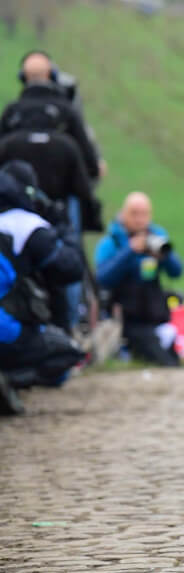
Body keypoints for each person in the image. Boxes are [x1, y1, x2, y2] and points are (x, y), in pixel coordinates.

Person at [0, 161, 86, 402]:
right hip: (6, 331)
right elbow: (70, 268)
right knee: (68, 354)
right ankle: (9, 378)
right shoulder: (25, 225)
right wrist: (63, 226)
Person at [95, 192, 184, 367]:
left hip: (156, 317)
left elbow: (177, 271)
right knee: (165, 364)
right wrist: (130, 251)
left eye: (144, 214)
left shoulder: (157, 236)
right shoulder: (110, 243)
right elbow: (102, 278)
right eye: (134, 213)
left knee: (174, 363)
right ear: (123, 213)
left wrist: (164, 256)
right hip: (126, 321)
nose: (139, 220)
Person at [7, 51, 102, 182]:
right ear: (51, 75)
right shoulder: (67, 112)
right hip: (62, 197)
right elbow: (91, 164)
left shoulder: (11, 113)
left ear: (23, 77)